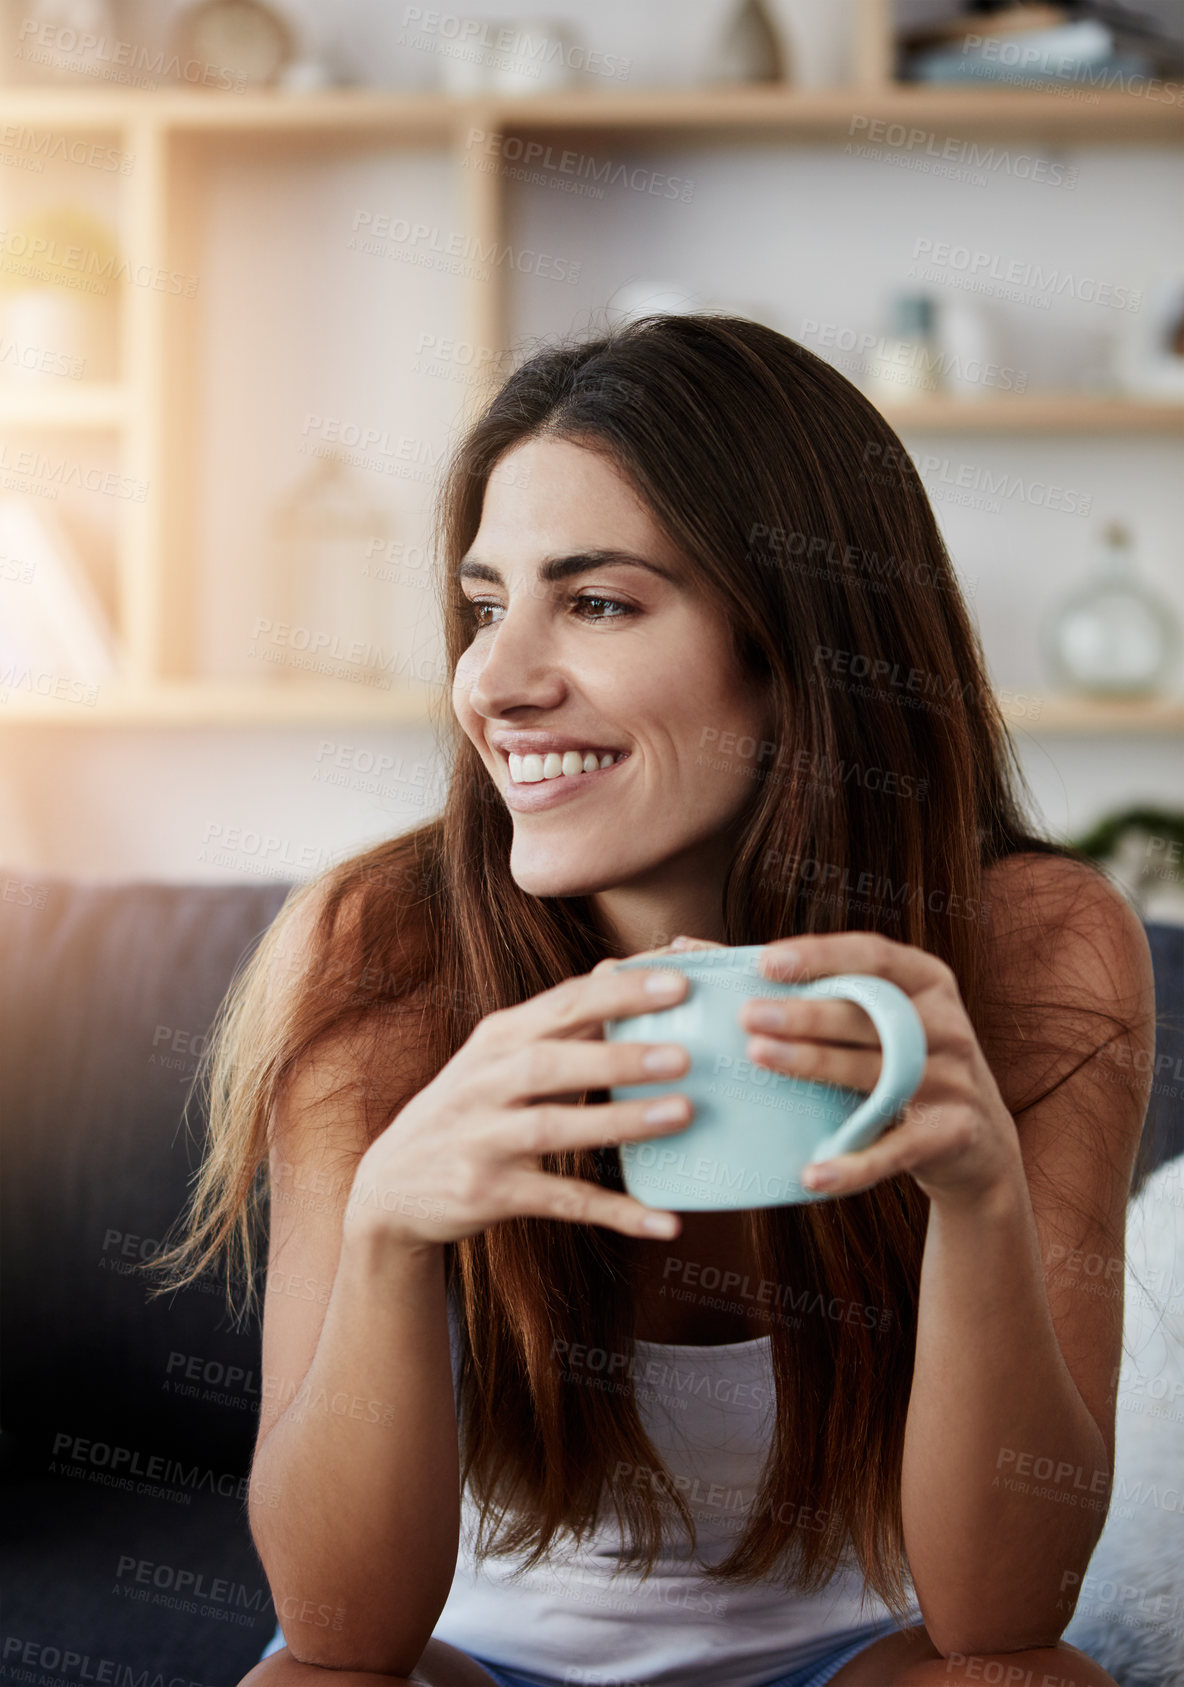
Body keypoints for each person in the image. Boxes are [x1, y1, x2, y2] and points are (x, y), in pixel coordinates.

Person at [149, 315, 1155, 1687]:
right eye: (489, 605)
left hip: (849, 1662)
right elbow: (337, 1636)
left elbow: (1002, 1613)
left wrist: (979, 1206)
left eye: (600, 602)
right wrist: (388, 1228)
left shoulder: (1041, 948)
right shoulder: (379, 947)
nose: (495, 685)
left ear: (799, 644)